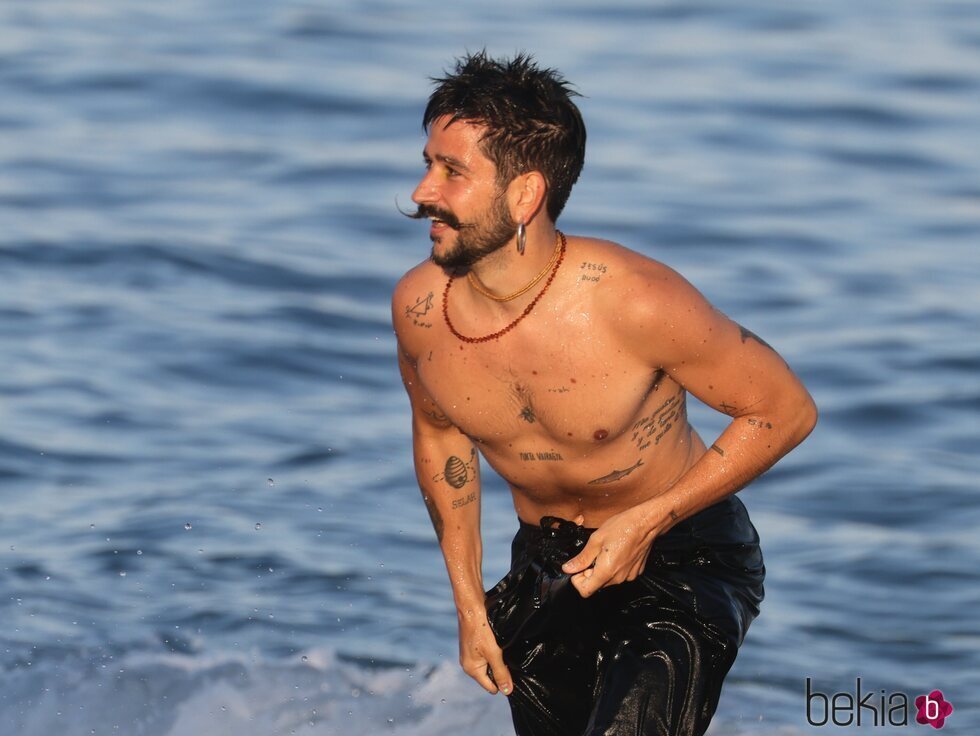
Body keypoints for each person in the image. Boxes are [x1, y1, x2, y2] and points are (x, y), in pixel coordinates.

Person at [392, 51, 817, 736]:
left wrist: (647, 522)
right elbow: (441, 438)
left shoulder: (635, 302)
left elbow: (784, 410)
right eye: (427, 163)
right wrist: (469, 608)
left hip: (681, 552)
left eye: (451, 171)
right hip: (546, 561)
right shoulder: (420, 309)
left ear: (525, 194)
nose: (421, 192)